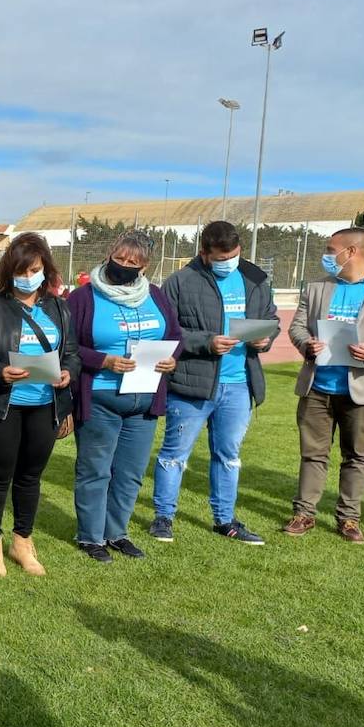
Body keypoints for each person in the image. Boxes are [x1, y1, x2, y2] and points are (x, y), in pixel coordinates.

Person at [0, 233, 80, 576]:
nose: (28, 277)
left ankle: (22, 541)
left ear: (46, 270)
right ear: (8, 272)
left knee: (30, 476)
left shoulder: (58, 307)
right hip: (0, 404)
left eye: (35, 270)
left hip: (45, 403)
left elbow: (70, 353)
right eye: (21, 271)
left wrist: (69, 371)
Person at [150, 221, 277, 545]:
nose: (229, 262)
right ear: (204, 253)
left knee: (229, 455)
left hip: (238, 385)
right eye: (221, 258)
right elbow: (166, 330)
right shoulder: (179, 282)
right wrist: (206, 342)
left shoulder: (256, 278)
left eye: (233, 255)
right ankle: (163, 518)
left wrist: (265, 339)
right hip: (192, 385)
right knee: (174, 455)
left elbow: (271, 319)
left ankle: (225, 520)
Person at [285, 227, 364, 543]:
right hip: (317, 386)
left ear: (351, 251)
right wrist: (306, 344)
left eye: (329, 248)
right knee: (312, 454)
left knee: (356, 456)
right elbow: (297, 327)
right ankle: (304, 513)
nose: (326, 255)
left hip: (363, 388)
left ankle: (349, 519)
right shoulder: (317, 287)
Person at [68, 233, 181, 563]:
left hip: (145, 399)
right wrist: (103, 360)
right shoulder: (83, 298)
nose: (126, 266)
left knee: (130, 473)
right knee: (95, 470)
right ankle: (90, 537)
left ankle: (117, 533)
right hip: (100, 395)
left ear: (145, 266)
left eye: (135, 262)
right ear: (108, 255)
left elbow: (175, 335)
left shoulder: (156, 296)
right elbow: (68, 345)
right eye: (121, 258)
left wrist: (173, 358)